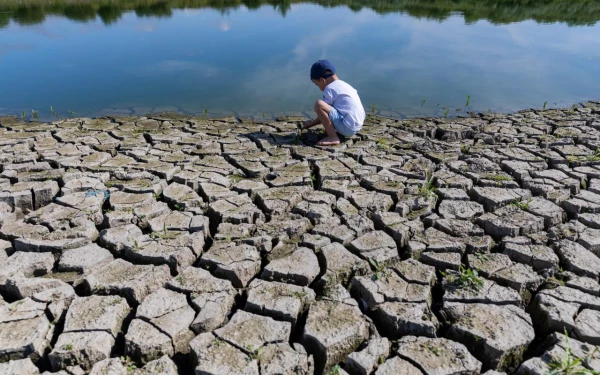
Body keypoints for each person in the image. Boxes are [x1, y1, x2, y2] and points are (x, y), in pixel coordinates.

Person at [303, 60, 366, 146]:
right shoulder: (344, 85)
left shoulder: (329, 89)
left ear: (322, 80)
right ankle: (337, 132)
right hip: (357, 126)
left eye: (317, 84)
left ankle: (332, 137)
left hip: (347, 128)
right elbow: (329, 112)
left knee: (319, 105)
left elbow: (323, 110)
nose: (318, 87)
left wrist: (310, 124)